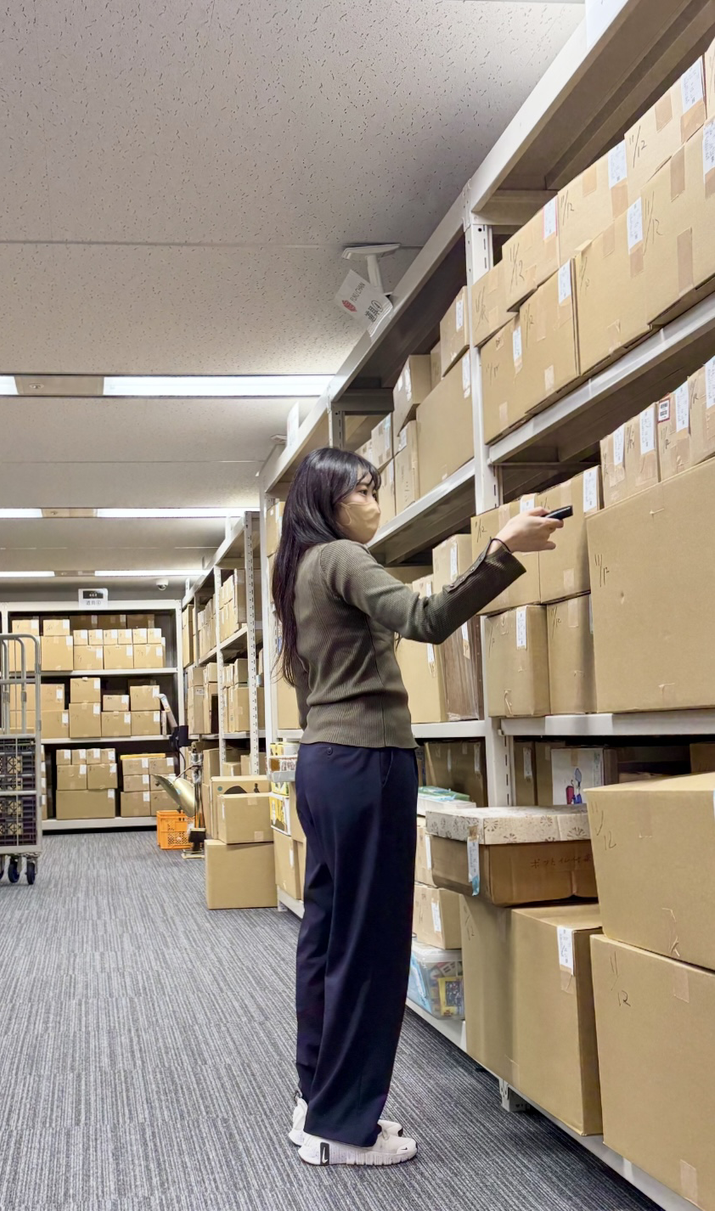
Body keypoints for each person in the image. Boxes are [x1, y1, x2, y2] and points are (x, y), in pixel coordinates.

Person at [271, 446, 562, 1168]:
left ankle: (319, 1101)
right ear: (328, 502)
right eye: (363, 491)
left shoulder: (299, 568)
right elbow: (426, 618)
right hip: (367, 763)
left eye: (376, 489)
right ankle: (345, 1128)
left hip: (324, 763)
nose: (375, 503)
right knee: (370, 948)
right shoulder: (342, 557)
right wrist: (502, 551)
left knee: (328, 938)